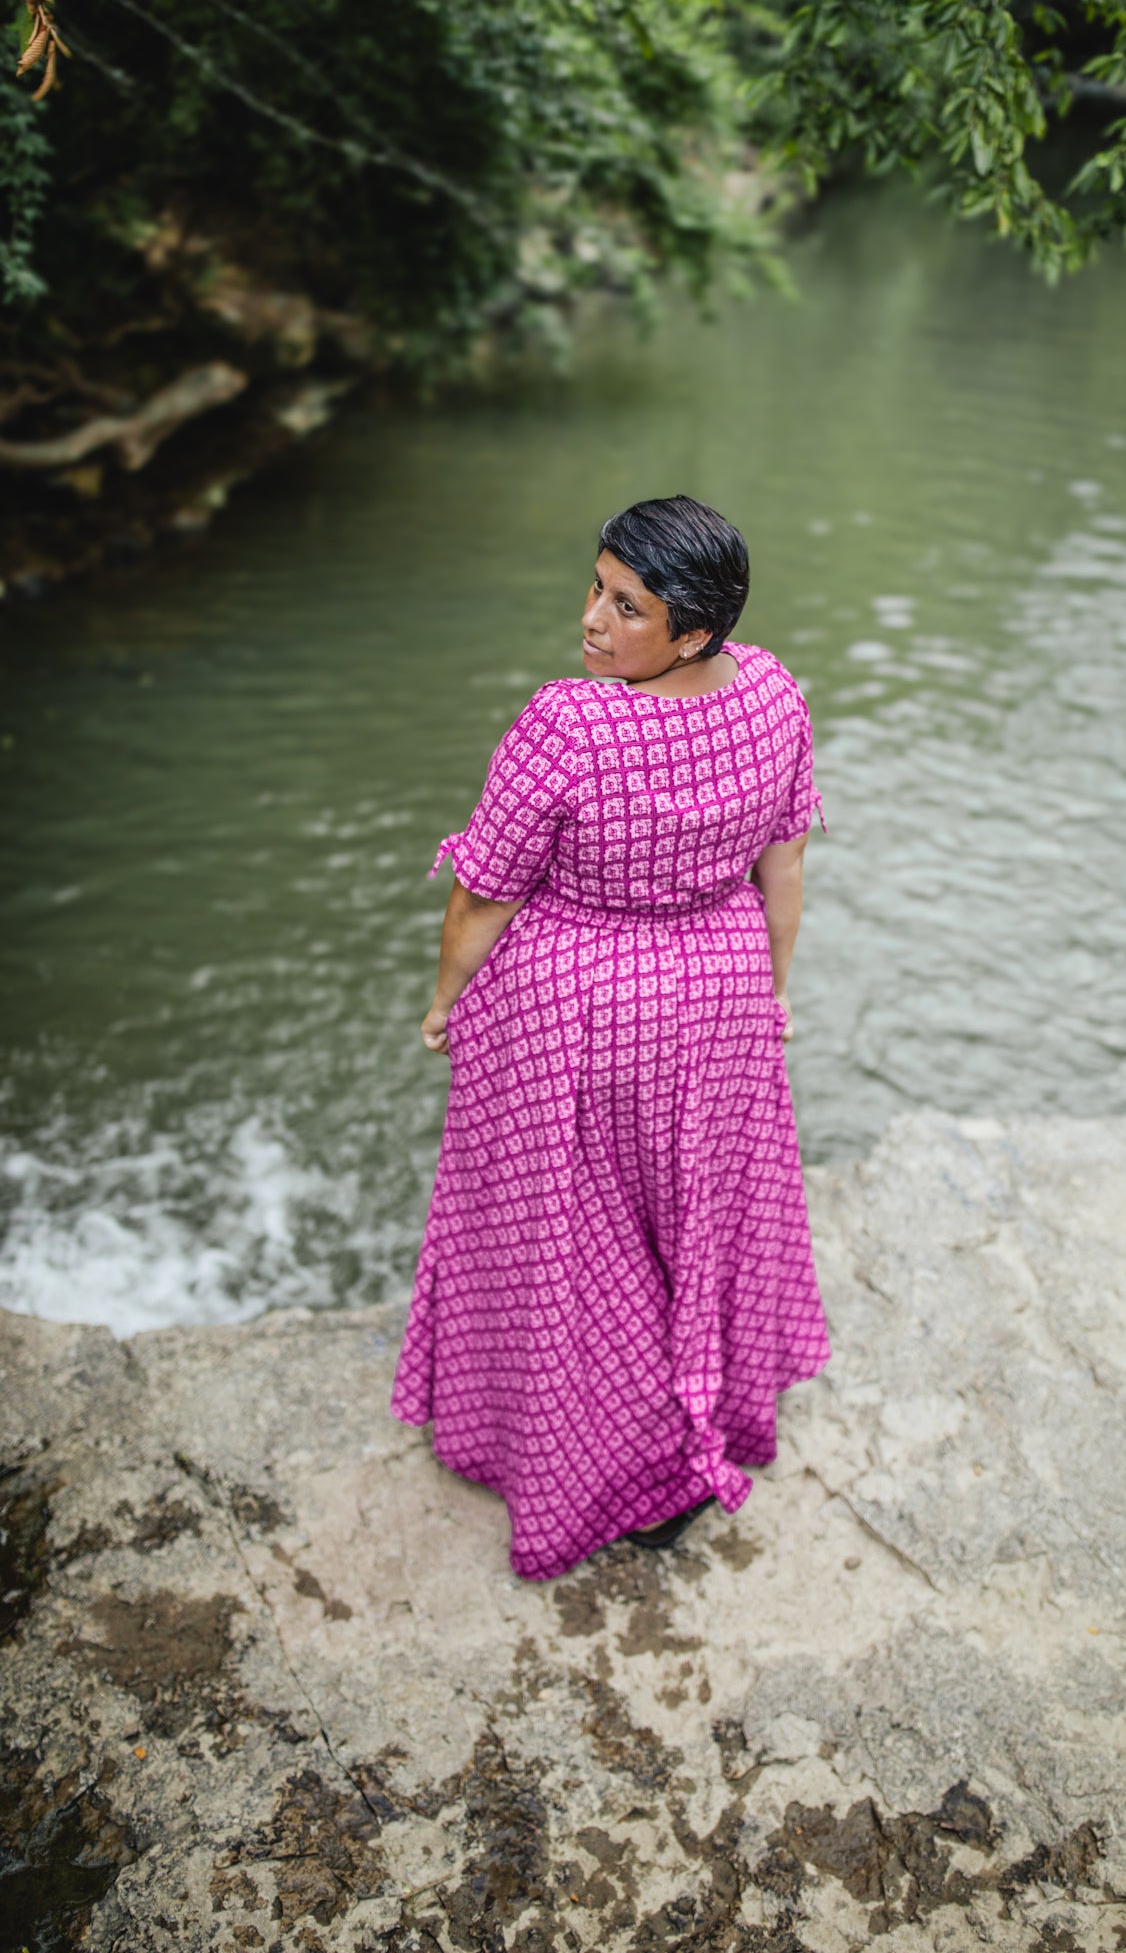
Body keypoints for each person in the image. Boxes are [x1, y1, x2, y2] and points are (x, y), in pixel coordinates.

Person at [389, 495, 830, 1580]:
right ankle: (704, 1412)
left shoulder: (569, 723)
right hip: (719, 992)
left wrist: (447, 998)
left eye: (627, 607)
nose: (593, 619)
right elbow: (786, 867)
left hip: (579, 1010)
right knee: (694, 1216)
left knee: (578, 1244)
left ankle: (619, 1463)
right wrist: (766, 996)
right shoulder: (773, 692)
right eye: (596, 586)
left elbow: (482, 895)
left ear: (693, 632)